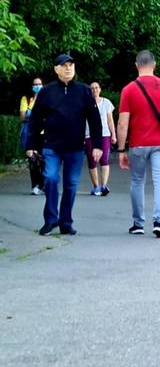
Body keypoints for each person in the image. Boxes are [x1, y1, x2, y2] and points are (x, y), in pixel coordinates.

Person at [25, 54, 102, 236]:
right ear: (56, 69)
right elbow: (35, 120)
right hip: (52, 146)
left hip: (75, 147)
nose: (68, 68)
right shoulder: (47, 91)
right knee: (50, 178)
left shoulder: (84, 91)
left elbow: (95, 119)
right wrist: (31, 145)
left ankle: (66, 222)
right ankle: (51, 220)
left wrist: (97, 145)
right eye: (64, 65)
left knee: (71, 184)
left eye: (71, 65)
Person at [117, 50, 160, 239]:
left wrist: (121, 149)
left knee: (137, 181)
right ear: (154, 65)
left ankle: (138, 223)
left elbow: (122, 123)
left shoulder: (128, 89)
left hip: (137, 144)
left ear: (137, 66)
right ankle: (159, 222)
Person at [85, 82, 117, 196]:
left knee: (104, 160)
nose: (94, 90)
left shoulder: (106, 102)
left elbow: (110, 120)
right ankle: (96, 186)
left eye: (96, 88)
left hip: (104, 134)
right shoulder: (86, 103)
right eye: (92, 88)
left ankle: (104, 185)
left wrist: (113, 134)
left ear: (100, 89)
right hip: (89, 135)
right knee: (92, 160)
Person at [20, 77, 44, 195]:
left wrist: (32, 113)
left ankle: (43, 184)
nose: (37, 86)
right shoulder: (26, 99)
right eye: (35, 84)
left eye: (39, 84)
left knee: (44, 159)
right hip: (31, 134)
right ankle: (35, 185)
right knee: (32, 160)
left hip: (44, 133)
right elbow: (23, 117)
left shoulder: (47, 98)